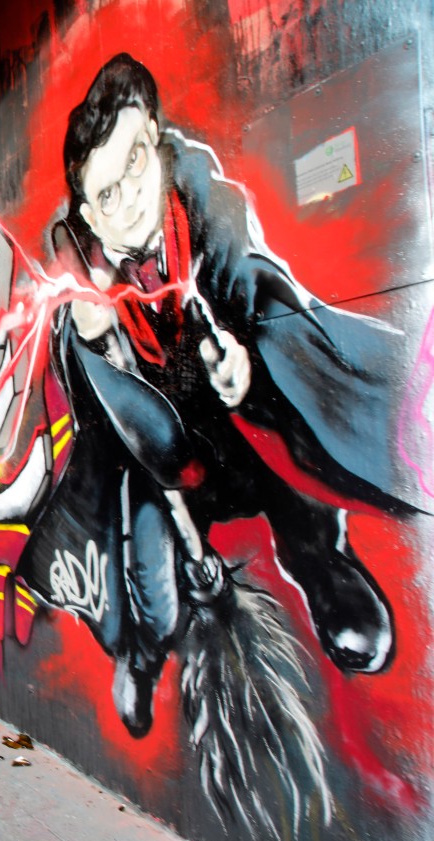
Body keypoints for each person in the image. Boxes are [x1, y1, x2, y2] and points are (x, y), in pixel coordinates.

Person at [22, 53, 421, 736]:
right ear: (90, 210)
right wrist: (89, 343)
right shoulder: (79, 270)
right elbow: (84, 401)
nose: (131, 200)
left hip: (233, 427)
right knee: (150, 581)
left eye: (136, 165)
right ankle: (142, 655)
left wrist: (242, 364)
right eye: (108, 194)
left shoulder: (205, 199)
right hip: (163, 456)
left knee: (288, 458)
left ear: (156, 136)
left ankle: (325, 569)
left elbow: (249, 275)